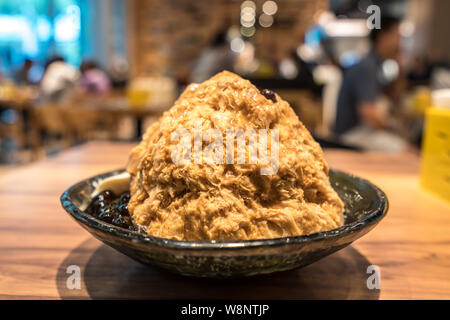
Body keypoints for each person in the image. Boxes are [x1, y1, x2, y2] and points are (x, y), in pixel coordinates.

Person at [334, 16, 408, 152]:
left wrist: (400, 67)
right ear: (383, 37)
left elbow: (395, 96)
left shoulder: (375, 65)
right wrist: (392, 129)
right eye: (397, 36)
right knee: (405, 151)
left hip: (360, 131)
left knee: (402, 145)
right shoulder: (367, 67)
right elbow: (368, 113)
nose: (400, 43)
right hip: (350, 136)